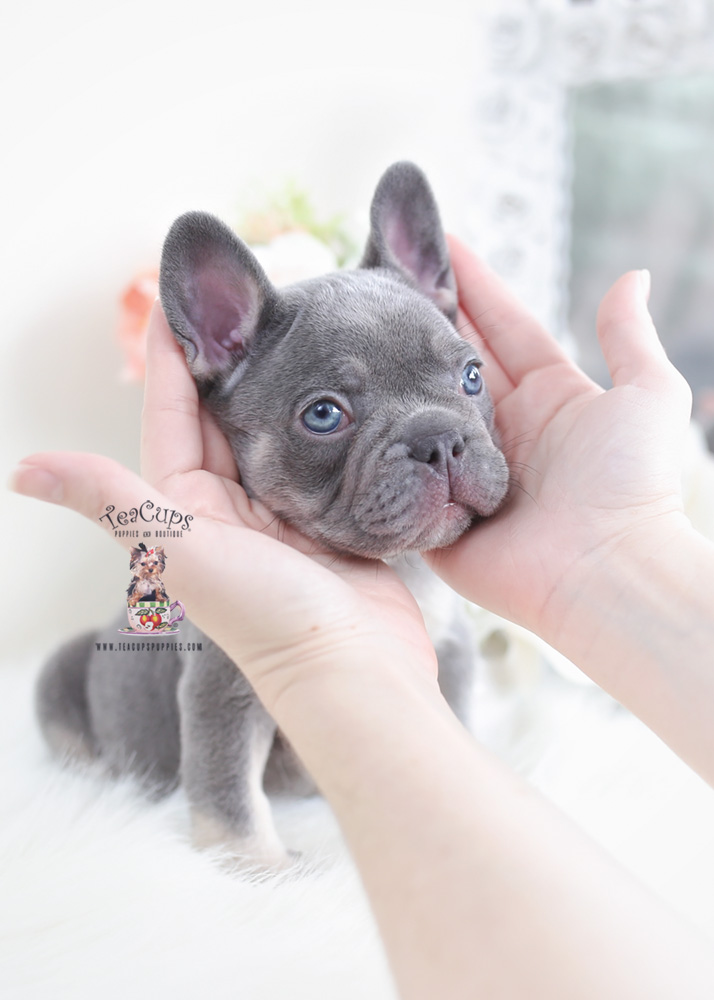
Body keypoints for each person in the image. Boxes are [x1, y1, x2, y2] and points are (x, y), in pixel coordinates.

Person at [11, 238, 714, 999]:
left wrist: (620, 552)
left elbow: (452, 657)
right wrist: (245, 862)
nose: (440, 445)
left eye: (464, 377)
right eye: (327, 414)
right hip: (143, 745)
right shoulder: (221, 577)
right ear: (222, 353)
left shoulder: (432, 561)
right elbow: (216, 697)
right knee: (65, 675)